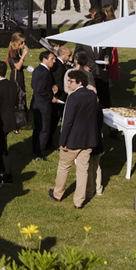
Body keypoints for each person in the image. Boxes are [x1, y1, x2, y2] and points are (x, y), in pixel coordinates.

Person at [49, 70, 100, 209]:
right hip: (88, 139)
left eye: (71, 81)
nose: (68, 83)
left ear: (80, 82)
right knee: (83, 170)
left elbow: (68, 122)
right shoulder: (92, 95)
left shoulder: (73, 97)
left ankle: (58, 194)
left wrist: (62, 141)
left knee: (64, 167)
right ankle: (79, 201)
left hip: (72, 140)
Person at [30, 50, 57, 162]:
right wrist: (51, 97)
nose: (54, 61)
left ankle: (35, 149)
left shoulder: (37, 69)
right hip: (43, 105)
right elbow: (40, 89)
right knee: (44, 129)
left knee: (38, 128)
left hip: (36, 103)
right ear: (44, 59)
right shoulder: (45, 72)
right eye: (52, 59)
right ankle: (39, 152)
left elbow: (34, 85)